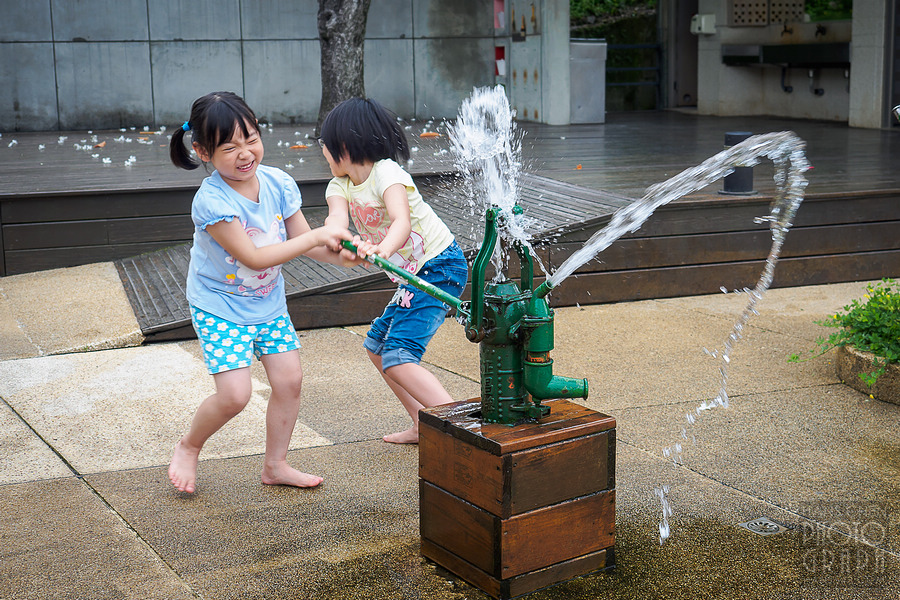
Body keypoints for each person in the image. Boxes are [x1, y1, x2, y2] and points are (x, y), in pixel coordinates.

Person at [167, 91, 352, 493]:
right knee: (234, 395)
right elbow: (253, 257)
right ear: (202, 151)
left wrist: (349, 258)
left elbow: (307, 242)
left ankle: (275, 465)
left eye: (251, 138)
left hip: (268, 303)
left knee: (289, 381)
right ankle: (189, 445)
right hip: (220, 305)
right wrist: (319, 236)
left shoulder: (278, 183)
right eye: (229, 147)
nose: (245, 153)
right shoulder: (211, 201)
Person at [319, 97, 468, 444]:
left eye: (324, 146)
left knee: (399, 356)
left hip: (439, 265)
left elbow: (401, 220)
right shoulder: (339, 185)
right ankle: (421, 422)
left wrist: (381, 249)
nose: (323, 153)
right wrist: (336, 236)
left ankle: (463, 431)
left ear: (342, 145)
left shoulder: (386, 172)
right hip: (413, 276)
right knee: (377, 346)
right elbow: (336, 219)